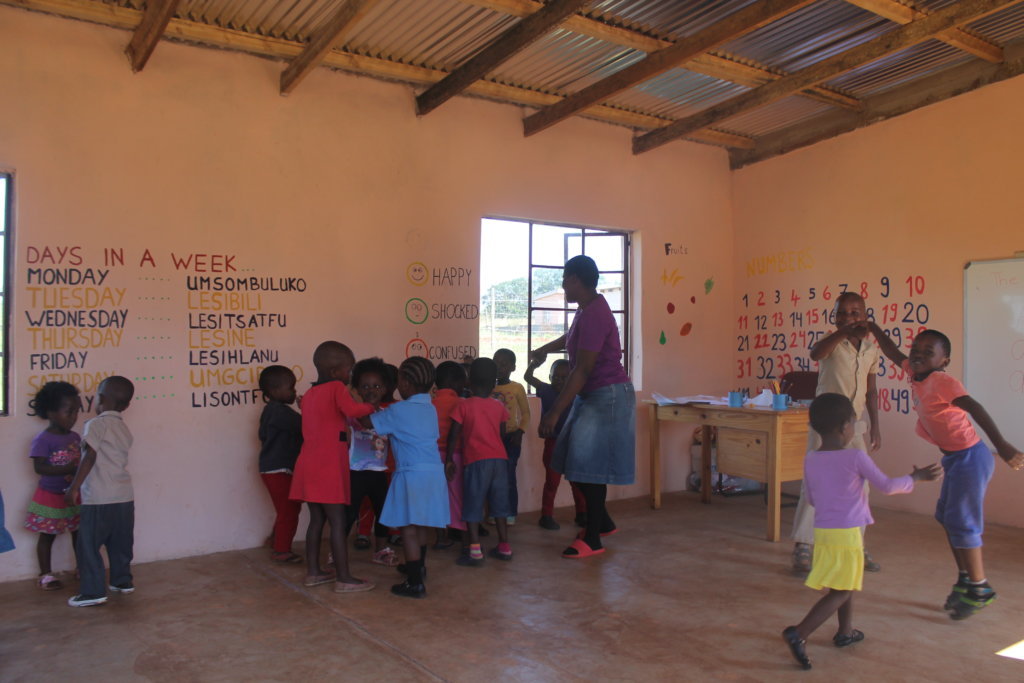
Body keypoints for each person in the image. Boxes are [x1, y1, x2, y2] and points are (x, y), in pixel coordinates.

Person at [868, 325, 1024, 619]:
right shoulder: (916, 374)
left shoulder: (942, 381)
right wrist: (874, 327)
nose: (918, 356)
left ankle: (980, 587)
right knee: (947, 517)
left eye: (929, 353)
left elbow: (974, 407)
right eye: (916, 350)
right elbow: (892, 351)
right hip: (956, 460)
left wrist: (1001, 445)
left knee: (963, 523)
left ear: (944, 362)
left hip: (971, 458)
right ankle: (966, 578)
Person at [782, 393, 940, 670]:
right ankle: (799, 632)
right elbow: (888, 486)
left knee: (845, 582)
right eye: (854, 424)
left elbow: (812, 499)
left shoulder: (811, 458)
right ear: (845, 427)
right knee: (842, 590)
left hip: (824, 531)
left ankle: (845, 632)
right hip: (847, 533)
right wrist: (915, 478)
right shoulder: (855, 457)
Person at [532, 255, 635, 559]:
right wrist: (544, 349)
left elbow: (583, 369)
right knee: (568, 458)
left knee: (590, 467)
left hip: (606, 395)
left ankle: (593, 538)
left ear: (575, 279)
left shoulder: (594, 314)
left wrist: (554, 411)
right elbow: (572, 340)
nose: (563, 284)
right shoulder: (587, 309)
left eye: (565, 279)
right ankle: (601, 522)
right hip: (592, 395)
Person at [791, 292, 883, 573]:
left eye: (855, 313)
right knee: (816, 483)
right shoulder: (831, 344)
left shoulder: (870, 349)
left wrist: (876, 425)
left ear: (865, 316)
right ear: (834, 317)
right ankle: (804, 545)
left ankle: (856, 544)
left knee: (861, 485)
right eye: (841, 313)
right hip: (824, 424)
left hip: (852, 426)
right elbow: (815, 353)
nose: (848, 318)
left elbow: (871, 390)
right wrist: (842, 331)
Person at [288, 341, 375, 593]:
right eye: (349, 370)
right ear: (337, 371)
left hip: (308, 463)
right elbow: (353, 410)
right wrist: (371, 405)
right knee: (337, 521)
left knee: (316, 520)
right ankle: (344, 577)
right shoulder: (337, 387)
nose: (350, 376)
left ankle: (314, 572)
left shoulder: (310, 394)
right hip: (328, 465)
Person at [370, 357, 449, 598]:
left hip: (411, 474)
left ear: (404, 383)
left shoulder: (397, 410)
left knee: (408, 528)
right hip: (433, 473)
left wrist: (371, 401)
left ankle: (414, 583)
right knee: (421, 523)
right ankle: (419, 567)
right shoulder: (430, 408)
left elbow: (369, 423)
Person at [64, 376, 137, 607]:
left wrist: (74, 487)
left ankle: (92, 591)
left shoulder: (95, 424)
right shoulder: (124, 428)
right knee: (121, 544)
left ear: (101, 399)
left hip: (99, 498)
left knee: (88, 545)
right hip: (124, 497)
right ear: (125, 405)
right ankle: (122, 581)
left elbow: (90, 454)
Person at [447, 358, 512, 566]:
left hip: (476, 461)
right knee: (499, 504)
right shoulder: (498, 406)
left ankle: (474, 549)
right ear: (494, 383)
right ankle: (504, 546)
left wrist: (448, 458)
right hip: (500, 461)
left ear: (469, 382)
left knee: (473, 504)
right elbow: (502, 433)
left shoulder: (464, 405)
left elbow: (454, 433)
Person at [25, 381, 83, 591]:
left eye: (77, 411)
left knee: (78, 532)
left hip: (73, 494)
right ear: (51, 412)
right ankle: (45, 574)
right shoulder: (43, 439)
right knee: (47, 535)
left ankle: (82, 567)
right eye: (69, 412)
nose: (74, 417)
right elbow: (39, 468)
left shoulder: (75, 437)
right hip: (50, 495)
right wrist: (68, 468)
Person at [345, 357, 399, 568]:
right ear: (357, 388)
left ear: (385, 388)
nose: (371, 390)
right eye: (365, 386)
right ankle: (336, 553)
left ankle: (381, 550)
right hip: (355, 472)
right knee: (348, 515)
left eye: (377, 385)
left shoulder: (387, 414)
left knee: (383, 512)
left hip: (379, 472)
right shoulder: (351, 414)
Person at [524, 358, 586, 530]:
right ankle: (546, 515)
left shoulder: (576, 393)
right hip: (553, 443)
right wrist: (534, 364)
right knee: (552, 482)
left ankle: (582, 513)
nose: (559, 380)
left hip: (573, 443)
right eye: (555, 376)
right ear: (550, 377)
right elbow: (528, 377)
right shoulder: (545, 390)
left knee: (576, 481)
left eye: (564, 377)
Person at [257, 365, 304, 564]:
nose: (294, 392)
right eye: (291, 388)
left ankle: (276, 540)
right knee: (289, 510)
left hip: (271, 468)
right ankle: (281, 549)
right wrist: (309, 408)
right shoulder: (280, 412)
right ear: (275, 391)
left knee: (286, 508)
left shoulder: (271, 411)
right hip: (279, 469)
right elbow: (305, 426)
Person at [491, 348, 529, 525]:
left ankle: (510, 512)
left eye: (504, 364)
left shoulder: (517, 387)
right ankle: (494, 512)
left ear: (513, 367)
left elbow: (526, 414)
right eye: (496, 362)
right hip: (492, 438)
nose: (499, 367)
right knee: (493, 477)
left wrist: (520, 432)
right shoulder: (489, 387)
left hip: (512, 438)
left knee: (508, 476)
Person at [432, 361, 467, 548]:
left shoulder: (431, 404)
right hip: (455, 455)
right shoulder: (461, 403)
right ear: (456, 382)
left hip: (432, 456)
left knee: (437, 496)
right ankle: (458, 530)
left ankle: (440, 537)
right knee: (456, 494)